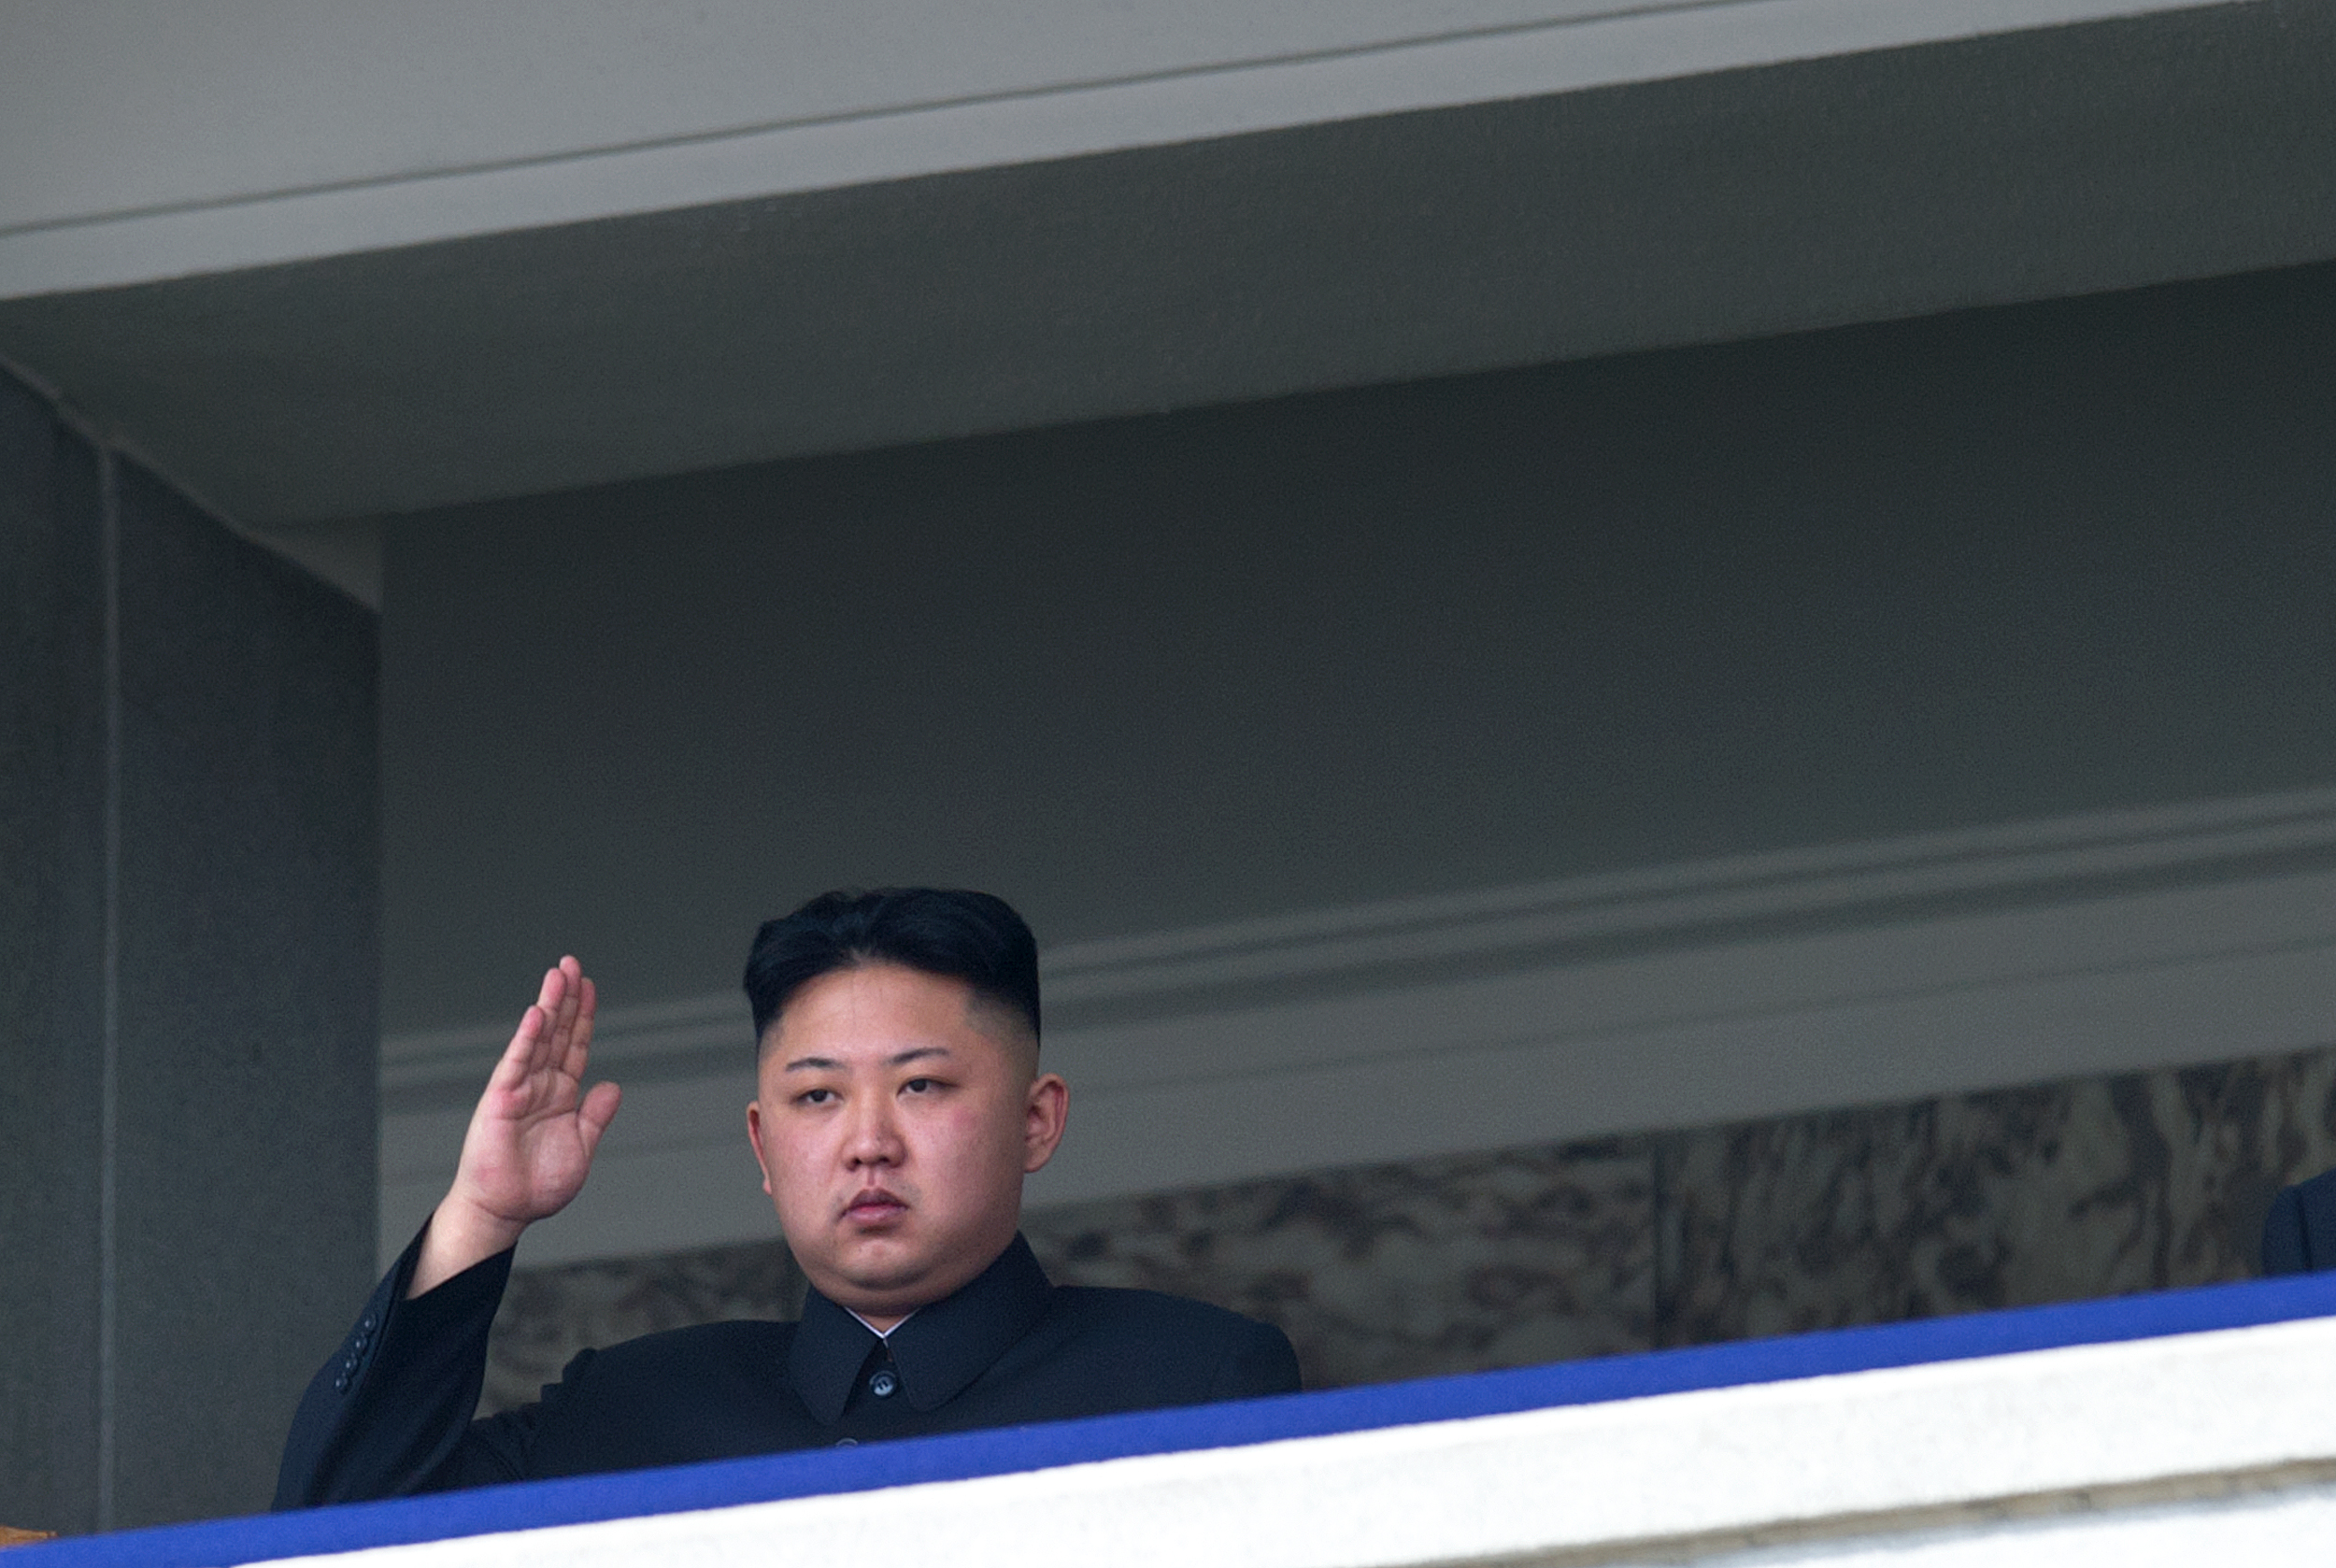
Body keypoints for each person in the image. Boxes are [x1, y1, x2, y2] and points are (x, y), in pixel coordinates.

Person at [276, 889, 1300, 1505]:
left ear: (1036, 1119)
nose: (866, 1141)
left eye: (922, 1085)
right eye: (817, 1096)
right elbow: (338, 1532)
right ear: (763, 1144)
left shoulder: (1191, 1376)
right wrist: (481, 1216)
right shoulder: (627, 1409)